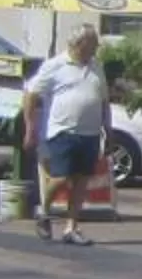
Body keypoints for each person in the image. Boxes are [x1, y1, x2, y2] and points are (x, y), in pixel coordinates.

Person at [23, 27, 113, 244]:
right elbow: (31, 94)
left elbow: (104, 101)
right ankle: (44, 211)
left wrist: (108, 131)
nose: (96, 48)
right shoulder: (55, 65)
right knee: (61, 177)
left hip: (90, 133)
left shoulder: (96, 67)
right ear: (78, 44)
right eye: (92, 44)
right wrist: (30, 127)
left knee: (81, 181)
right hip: (62, 131)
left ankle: (71, 227)